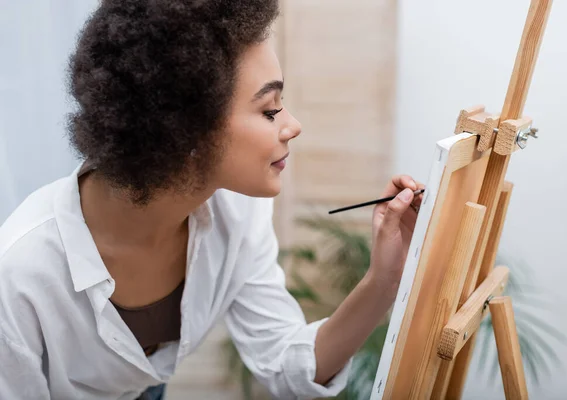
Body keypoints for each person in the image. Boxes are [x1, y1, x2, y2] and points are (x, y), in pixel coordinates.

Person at [0, 0, 424, 399]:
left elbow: (287, 364)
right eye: (270, 109)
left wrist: (384, 280)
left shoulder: (237, 210)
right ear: (185, 130)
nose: (293, 126)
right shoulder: (22, 273)